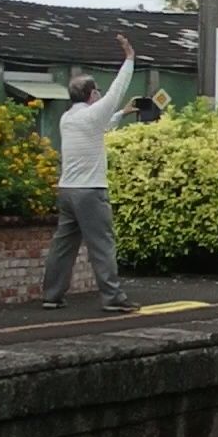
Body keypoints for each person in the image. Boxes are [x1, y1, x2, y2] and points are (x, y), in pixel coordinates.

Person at [42, 34, 139, 312]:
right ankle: (113, 297)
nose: (99, 94)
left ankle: (52, 295)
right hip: (91, 191)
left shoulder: (68, 118)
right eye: (96, 91)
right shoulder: (93, 113)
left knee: (63, 246)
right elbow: (117, 91)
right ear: (91, 94)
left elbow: (100, 126)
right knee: (102, 244)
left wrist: (121, 114)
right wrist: (129, 60)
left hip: (67, 191)